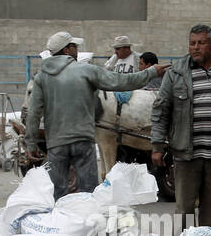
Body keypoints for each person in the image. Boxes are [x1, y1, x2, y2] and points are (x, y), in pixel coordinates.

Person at [25, 29, 164, 200]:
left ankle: (63, 223)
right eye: (74, 46)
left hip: (56, 144)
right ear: (67, 50)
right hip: (83, 142)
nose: (77, 50)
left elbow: (33, 113)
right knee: (88, 193)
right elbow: (122, 82)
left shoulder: (41, 77)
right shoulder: (87, 70)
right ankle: (88, 222)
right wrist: (151, 72)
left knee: (59, 194)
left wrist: (30, 143)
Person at [149, 24, 211, 236]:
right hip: (186, 153)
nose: (195, 47)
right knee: (184, 209)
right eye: (192, 43)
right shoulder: (175, 74)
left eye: (201, 43)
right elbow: (161, 110)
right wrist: (157, 146)